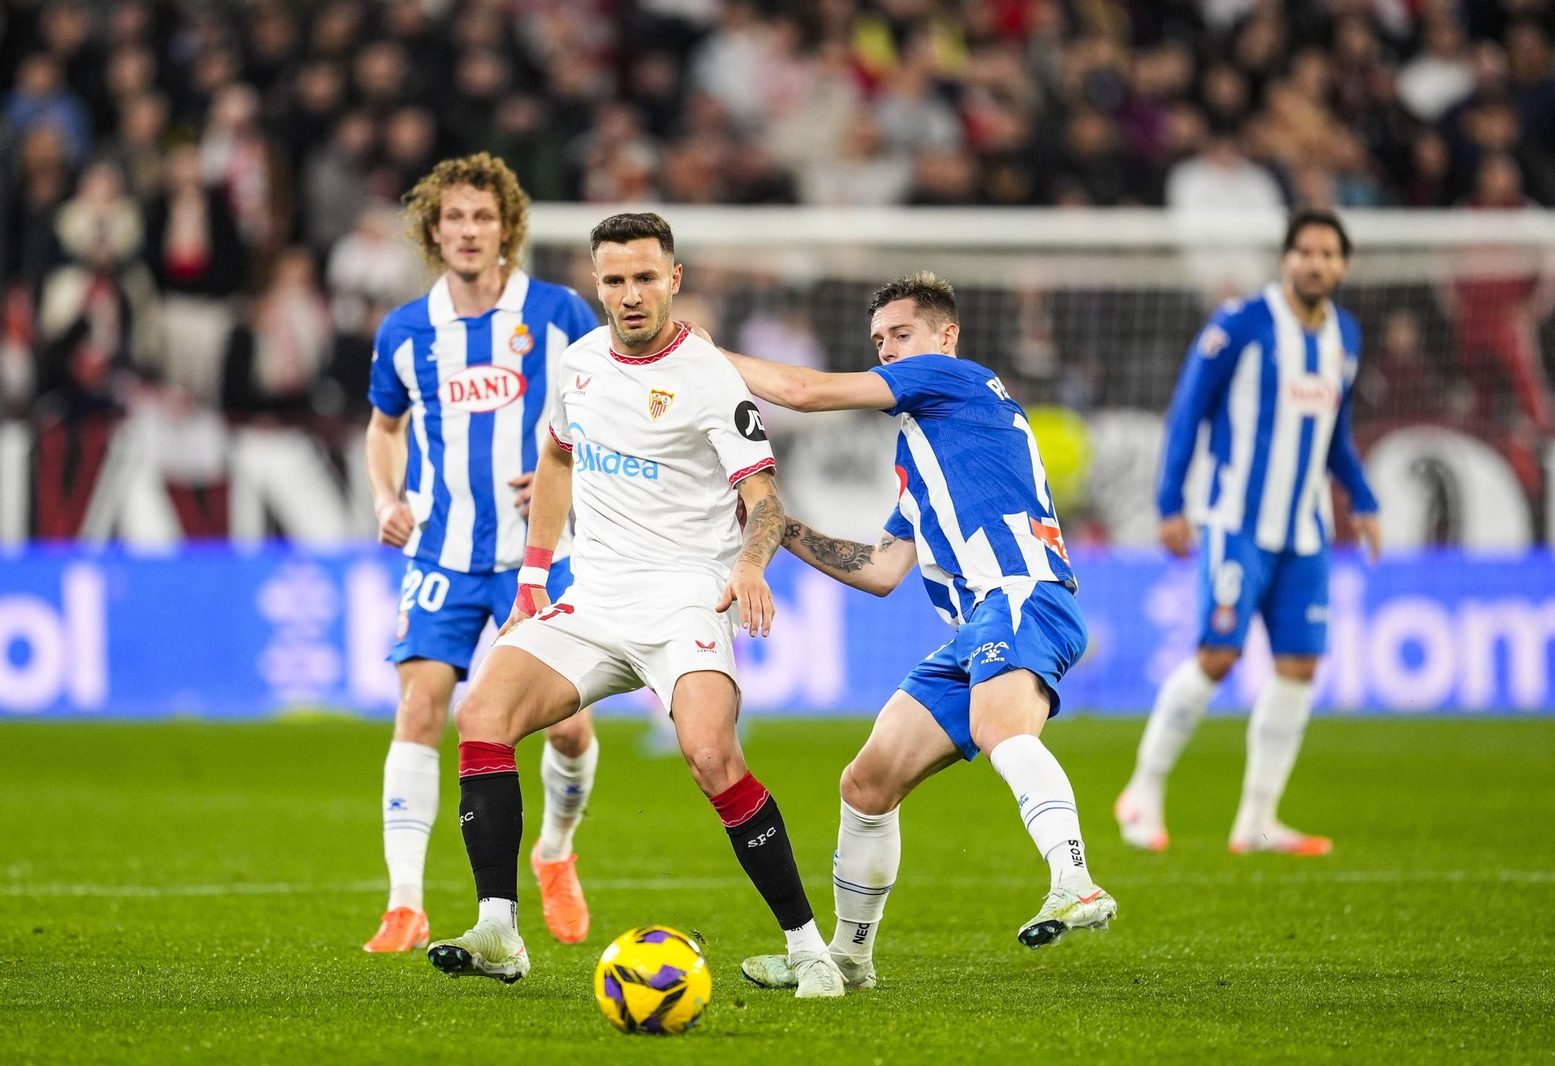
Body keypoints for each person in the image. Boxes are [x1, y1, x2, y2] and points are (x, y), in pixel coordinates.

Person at [425, 212, 847, 999]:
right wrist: (534, 575)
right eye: (615, 279)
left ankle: (807, 947)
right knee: (481, 713)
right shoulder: (580, 363)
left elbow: (765, 498)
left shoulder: (710, 376)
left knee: (712, 756)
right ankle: (498, 930)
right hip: (594, 599)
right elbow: (557, 459)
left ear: (673, 280)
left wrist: (750, 565)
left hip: (686, 600)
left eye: (645, 277)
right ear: (597, 283)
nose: (630, 294)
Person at [705, 271, 1116, 993]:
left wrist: (702, 356)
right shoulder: (928, 454)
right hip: (976, 625)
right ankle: (850, 958)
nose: (889, 350)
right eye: (879, 341)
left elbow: (803, 391)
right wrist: (776, 525)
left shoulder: (956, 380)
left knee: (999, 728)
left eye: (901, 335)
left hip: (1020, 592)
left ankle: (1075, 881)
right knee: (867, 783)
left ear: (945, 337)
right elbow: (881, 568)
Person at [361, 153, 601, 954]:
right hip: (443, 552)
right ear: (433, 231)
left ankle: (555, 852)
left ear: (508, 229)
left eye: (483, 217)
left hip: (543, 552)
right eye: (455, 218)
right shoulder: (405, 331)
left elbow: (613, 406)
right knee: (420, 709)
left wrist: (575, 473)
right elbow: (383, 429)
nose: (468, 231)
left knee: (568, 730)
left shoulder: (560, 313)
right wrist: (385, 499)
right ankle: (404, 903)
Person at [1116, 209, 1382, 857]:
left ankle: (1258, 821)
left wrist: (1364, 497)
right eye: (1304, 251)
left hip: (1306, 533)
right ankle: (1142, 791)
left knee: (1299, 666)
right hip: (1236, 523)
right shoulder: (1240, 324)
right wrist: (1171, 503)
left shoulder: (1345, 335)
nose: (1315, 263)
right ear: (1285, 259)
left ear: (1342, 266)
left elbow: (1335, 434)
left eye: (1328, 253)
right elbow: (1189, 411)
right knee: (1218, 655)